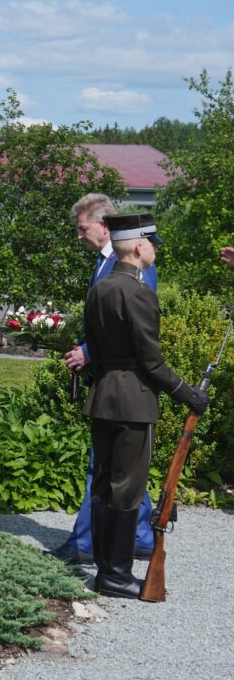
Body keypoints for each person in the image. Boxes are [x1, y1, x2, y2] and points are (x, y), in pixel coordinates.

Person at [83, 212, 207, 598]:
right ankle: (116, 575)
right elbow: (150, 362)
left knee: (104, 484)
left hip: (103, 395)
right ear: (138, 245)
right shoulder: (138, 293)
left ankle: (106, 570)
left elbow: (98, 353)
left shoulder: (100, 288)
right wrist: (189, 393)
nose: (153, 250)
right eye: (151, 243)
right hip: (133, 400)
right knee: (127, 489)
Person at [51, 193, 159, 565]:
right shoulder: (103, 262)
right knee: (123, 468)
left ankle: (85, 543)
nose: (78, 236)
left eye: (82, 229)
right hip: (109, 379)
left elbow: (132, 326)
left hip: (124, 384)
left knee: (104, 466)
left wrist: (90, 352)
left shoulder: (133, 262)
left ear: (104, 226)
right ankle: (140, 534)